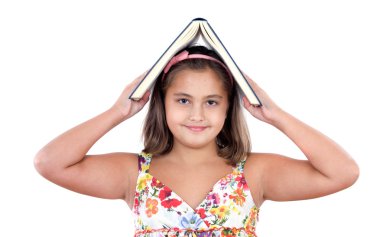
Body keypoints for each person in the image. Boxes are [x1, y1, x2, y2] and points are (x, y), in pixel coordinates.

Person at [34, 46, 359, 237]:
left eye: (212, 101)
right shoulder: (133, 172)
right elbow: (49, 162)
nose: (197, 115)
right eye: (184, 100)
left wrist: (277, 115)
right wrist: (119, 111)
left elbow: (342, 172)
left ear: (229, 106)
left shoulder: (255, 172)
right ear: (162, 103)